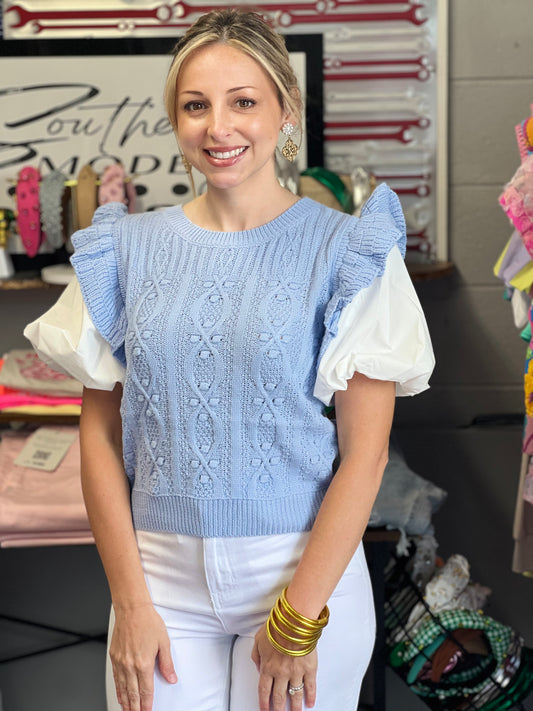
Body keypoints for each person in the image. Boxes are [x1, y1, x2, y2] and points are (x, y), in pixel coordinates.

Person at [25, 8, 435, 711]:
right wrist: (129, 601)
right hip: (157, 580)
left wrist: (297, 617)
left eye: (243, 101)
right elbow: (97, 436)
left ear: (284, 112)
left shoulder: (347, 250)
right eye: (196, 106)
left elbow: (364, 458)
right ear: (176, 119)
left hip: (301, 574)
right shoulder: (121, 250)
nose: (218, 127)